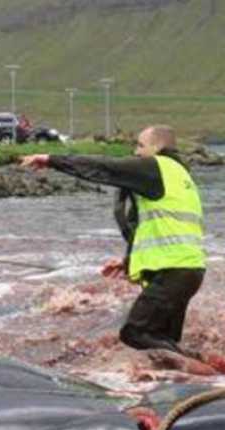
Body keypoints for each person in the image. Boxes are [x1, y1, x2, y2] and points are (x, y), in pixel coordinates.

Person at [20, 125, 206, 355]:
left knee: (135, 333)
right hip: (188, 271)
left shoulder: (155, 167)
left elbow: (104, 167)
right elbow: (161, 228)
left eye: (140, 145)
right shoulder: (181, 175)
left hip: (173, 273)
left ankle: (200, 369)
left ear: (157, 147)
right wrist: (129, 260)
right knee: (161, 340)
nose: (136, 152)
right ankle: (189, 378)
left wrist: (51, 160)